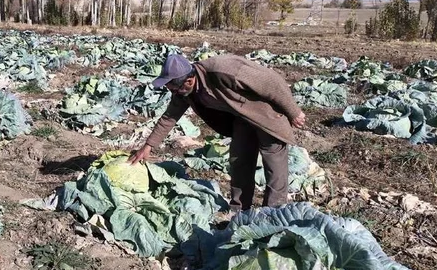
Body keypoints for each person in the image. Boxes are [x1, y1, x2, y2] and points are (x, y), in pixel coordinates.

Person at [128, 53, 305, 211]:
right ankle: (240, 211)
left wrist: (293, 111)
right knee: (239, 161)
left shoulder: (224, 70)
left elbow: (271, 81)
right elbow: (169, 117)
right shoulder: (185, 92)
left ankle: (273, 213)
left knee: (274, 166)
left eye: (173, 89)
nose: (172, 93)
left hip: (268, 116)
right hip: (242, 118)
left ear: (189, 81)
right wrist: (148, 146)